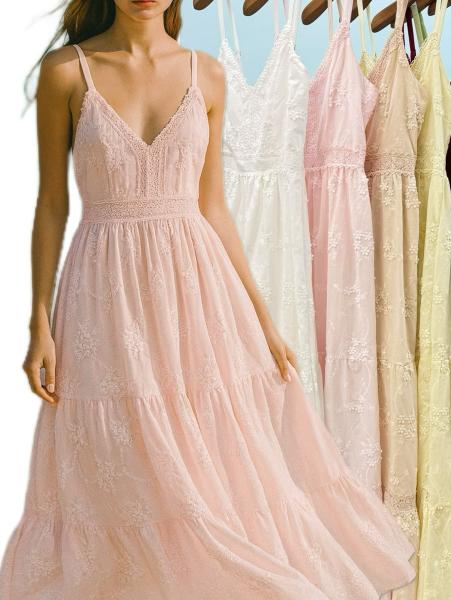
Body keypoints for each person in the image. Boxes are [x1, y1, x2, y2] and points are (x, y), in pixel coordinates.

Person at [0, 1, 416, 598]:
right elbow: (51, 205)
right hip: (103, 292)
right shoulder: (68, 71)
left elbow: (212, 207)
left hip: (195, 291)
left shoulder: (207, 75)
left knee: (203, 463)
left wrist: (262, 318)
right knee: (119, 456)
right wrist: (38, 321)